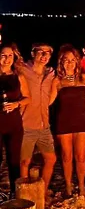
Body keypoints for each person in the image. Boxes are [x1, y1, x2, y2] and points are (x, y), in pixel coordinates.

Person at [49, 45, 85, 197]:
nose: (69, 63)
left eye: (72, 60)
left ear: (77, 61)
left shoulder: (83, 78)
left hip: (81, 121)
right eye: (66, 60)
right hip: (63, 122)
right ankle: (68, 186)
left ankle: (82, 186)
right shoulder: (57, 80)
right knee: (66, 156)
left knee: (81, 156)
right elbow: (49, 102)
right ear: (61, 62)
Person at [20, 43, 57, 197]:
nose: (44, 56)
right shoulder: (23, 69)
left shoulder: (51, 73)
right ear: (33, 53)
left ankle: (42, 192)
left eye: (47, 53)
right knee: (25, 162)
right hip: (26, 125)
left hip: (44, 125)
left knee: (51, 159)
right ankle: (24, 195)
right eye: (41, 52)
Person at [0, 44, 30, 197]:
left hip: (13, 124)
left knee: (14, 160)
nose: (7, 59)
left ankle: (14, 193)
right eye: (3, 55)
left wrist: (16, 104)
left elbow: (27, 98)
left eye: (10, 56)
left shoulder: (18, 77)